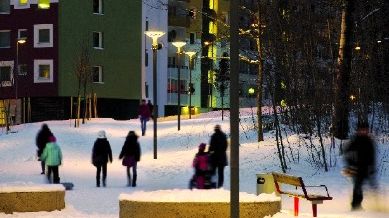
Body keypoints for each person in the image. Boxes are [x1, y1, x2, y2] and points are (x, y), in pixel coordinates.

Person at [343, 121, 377, 210]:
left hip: (366, 168)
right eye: (362, 130)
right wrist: (350, 165)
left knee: (372, 186)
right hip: (355, 168)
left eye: (365, 130)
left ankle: (376, 204)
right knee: (358, 186)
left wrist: (372, 167)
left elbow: (372, 156)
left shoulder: (369, 141)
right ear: (358, 130)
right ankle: (355, 206)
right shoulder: (354, 141)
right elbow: (347, 154)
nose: (364, 131)